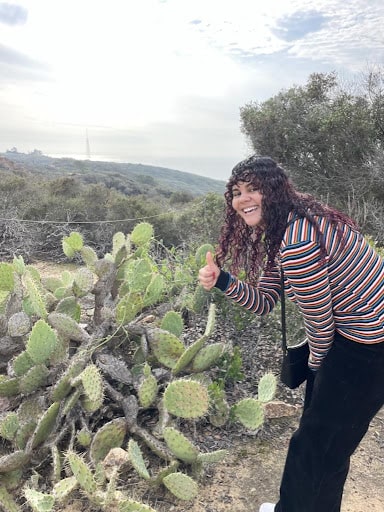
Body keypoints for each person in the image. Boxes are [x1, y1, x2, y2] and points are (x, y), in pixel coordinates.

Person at [198, 155, 384, 512]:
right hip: (361, 340)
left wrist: (315, 367)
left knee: (314, 446)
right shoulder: (293, 222)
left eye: (253, 189)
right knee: (328, 446)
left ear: (274, 190)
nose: (243, 199)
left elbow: (320, 322)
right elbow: (265, 300)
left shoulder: (296, 239)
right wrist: (222, 280)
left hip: (367, 347)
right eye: (237, 192)